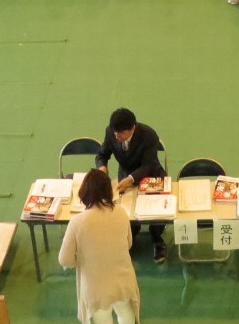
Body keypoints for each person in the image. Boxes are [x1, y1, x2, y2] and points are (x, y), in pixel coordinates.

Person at [58, 168, 140, 324]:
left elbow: (65, 259)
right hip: (123, 281)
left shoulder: (76, 223)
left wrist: (82, 258)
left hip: (95, 288)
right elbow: (128, 243)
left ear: (84, 193)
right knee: (125, 312)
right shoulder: (121, 213)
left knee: (103, 319)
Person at [94, 108, 167, 264]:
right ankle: (132, 233)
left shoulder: (149, 135)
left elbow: (149, 165)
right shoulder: (111, 132)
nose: (116, 136)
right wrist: (102, 168)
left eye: (120, 133)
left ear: (132, 128)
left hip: (151, 176)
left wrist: (131, 179)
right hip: (125, 174)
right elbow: (102, 154)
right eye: (115, 132)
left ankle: (157, 238)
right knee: (126, 212)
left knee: (156, 211)